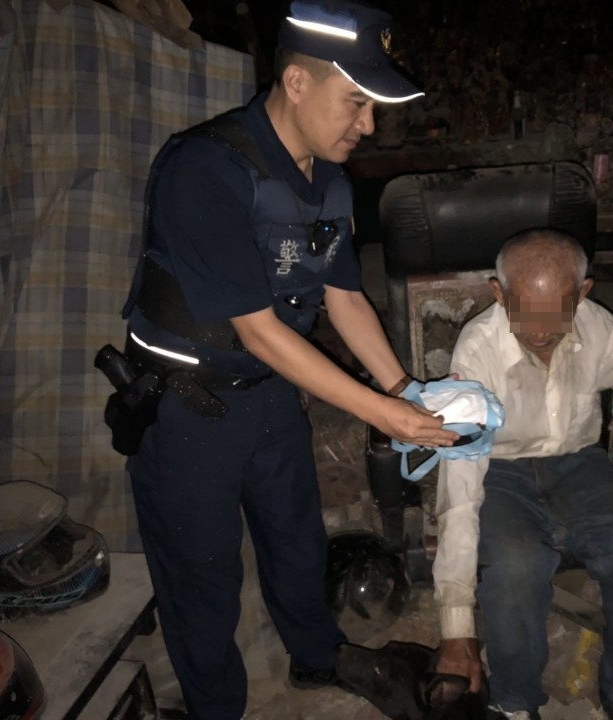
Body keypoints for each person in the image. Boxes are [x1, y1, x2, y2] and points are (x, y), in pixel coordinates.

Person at [117, 3, 457, 719]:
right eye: (356, 102)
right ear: (296, 83)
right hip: (187, 406)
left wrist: (405, 388)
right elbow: (261, 329)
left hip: (270, 396)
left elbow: (343, 296)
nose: (367, 126)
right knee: (201, 576)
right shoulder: (204, 170)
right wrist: (383, 412)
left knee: (297, 538)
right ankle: (217, 708)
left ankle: (315, 657)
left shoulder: (328, 178)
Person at [432, 229, 613, 720]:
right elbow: (462, 486)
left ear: (582, 294)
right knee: (514, 569)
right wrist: (455, 624)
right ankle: (514, 702)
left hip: (581, 465)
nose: (537, 331)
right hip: (500, 470)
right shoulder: (478, 350)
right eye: (522, 311)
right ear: (498, 293)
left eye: (555, 312)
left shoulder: (598, 328)